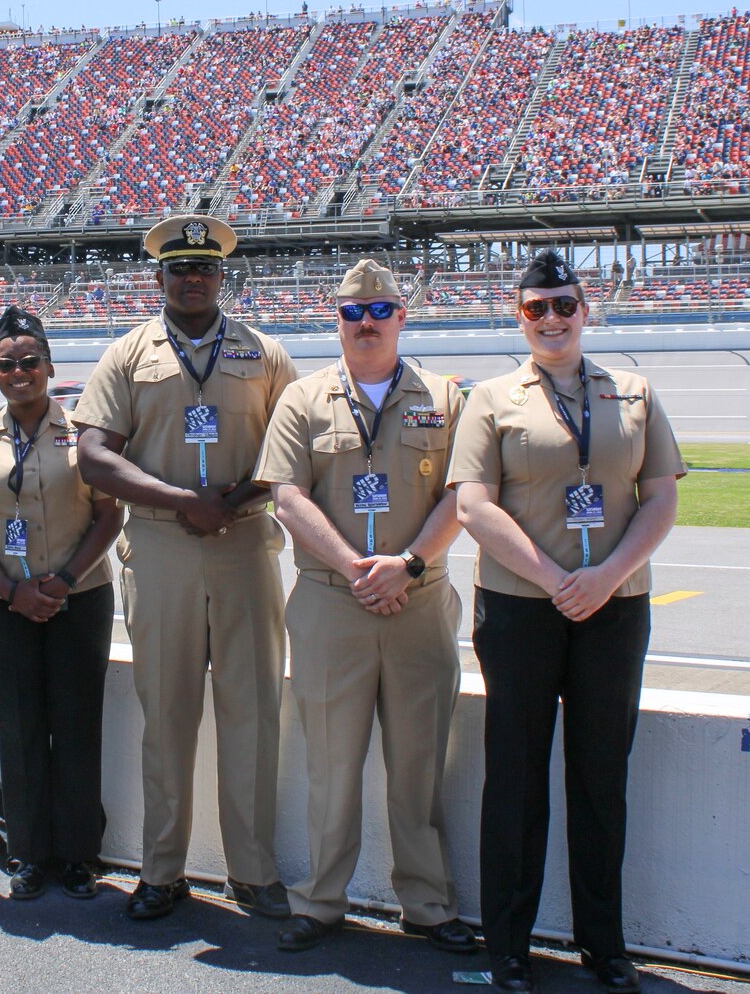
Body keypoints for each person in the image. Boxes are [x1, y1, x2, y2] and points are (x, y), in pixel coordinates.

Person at [448, 251, 685, 994]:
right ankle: (509, 945)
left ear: (589, 310)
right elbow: (473, 505)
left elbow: (660, 496)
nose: (550, 318)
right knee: (515, 777)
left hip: (614, 608)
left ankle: (604, 942)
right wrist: (556, 580)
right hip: (522, 607)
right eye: (535, 307)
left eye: (563, 305)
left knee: (599, 775)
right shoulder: (490, 398)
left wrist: (606, 577)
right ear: (515, 315)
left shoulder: (634, 392)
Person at [74, 214, 297, 922]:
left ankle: (253, 871)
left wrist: (232, 499)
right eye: (180, 268)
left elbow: (293, 448)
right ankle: (162, 870)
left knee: (253, 712)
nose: (193, 278)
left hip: (244, 542)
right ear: (159, 277)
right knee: (166, 714)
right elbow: (94, 454)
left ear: (221, 277)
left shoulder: (264, 353)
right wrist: (183, 501)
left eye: (205, 268)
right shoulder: (127, 354)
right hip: (164, 545)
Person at [253, 259, 476, 954]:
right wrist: (357, 568)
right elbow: (287, 496)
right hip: (331, 603)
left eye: (381, 310)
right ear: (337, 318)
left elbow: (463, 494)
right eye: (354, 312)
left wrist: (404, 565)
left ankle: (428, 904)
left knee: (419, 763)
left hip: (418, 600)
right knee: (331, 763)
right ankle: (321, 899)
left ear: (403, 316)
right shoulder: (302, 399)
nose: (367, 323)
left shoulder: (444, 396)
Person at [0, 307, 122, 901]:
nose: (19, 372)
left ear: (49, 366)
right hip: (4, 602)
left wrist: (65, 581)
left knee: (76, 724)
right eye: (6, 364)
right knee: (18, 726)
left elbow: (109, 514)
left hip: (82, 595)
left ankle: (77, 857)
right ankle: (27, 853)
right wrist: (11, 588)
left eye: (29, 362)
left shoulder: (84, 434)